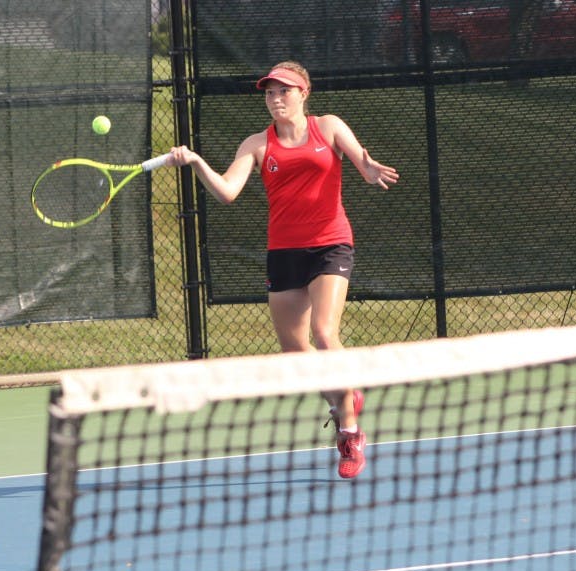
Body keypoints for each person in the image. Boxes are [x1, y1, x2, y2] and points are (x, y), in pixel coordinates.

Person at [164, 61, 399, 479]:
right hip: (284, 252)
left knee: (326, 334)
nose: (276, 99)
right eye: (270, 93)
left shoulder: (328, 127)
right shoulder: (256, 144)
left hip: (331, 243)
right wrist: (197, 161)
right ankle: (342, 396)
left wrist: (370, 167)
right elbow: (227, 193)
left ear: (304, 93)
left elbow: (363, 165)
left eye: (284, 91)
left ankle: (349, 432)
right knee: (295, 350)